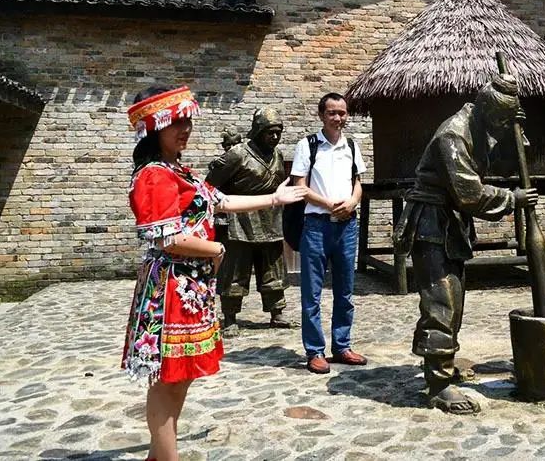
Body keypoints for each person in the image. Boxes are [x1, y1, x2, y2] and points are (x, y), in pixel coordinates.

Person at [121, 86, 307, 461]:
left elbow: (222, 201)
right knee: (167, 381)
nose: (184, 129)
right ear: (154, 128)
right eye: (175, 123)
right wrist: (216, 249)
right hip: (170, 289)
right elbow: (166, 238)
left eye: (187, 121)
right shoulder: (154, 175)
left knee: (181, 376)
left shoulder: (178, 170)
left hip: (189, 286)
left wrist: (274, 198)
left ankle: (157, 457)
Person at [393, 74, 538, 414]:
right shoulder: (452, 134)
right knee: (441, 300)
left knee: (453, 297)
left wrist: (517, 132)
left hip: (449, 223)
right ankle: (438, 384)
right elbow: (469, 192)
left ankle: (438, 365)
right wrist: (511, 198)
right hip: (431, 222)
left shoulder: (475, 125)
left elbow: (488, 158)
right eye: (500, 121)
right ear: (488, 112)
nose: (501, 127)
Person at [290, 92, 368, 374]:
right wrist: (328, 205)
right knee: (311, 292)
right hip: (316, 226)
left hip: (346, 226)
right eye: (332, 113)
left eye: (342, 113)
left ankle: (342, 345)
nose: (338, 118)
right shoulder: (307, 145)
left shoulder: (352, 146)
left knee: (345, 291)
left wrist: (352, 202)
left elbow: (358, 182)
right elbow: (300, 186)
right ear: (321, 114)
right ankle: (314, 351)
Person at [206, 109, 292, 336]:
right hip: (240, 220)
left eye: (278, 132)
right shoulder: (237, 154)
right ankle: (231, 316)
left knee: (273, 267)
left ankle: (277, 311)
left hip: (270, 218)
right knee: (236, 268)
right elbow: (210, 185)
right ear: (258, 131)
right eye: (269, 132)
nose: (274, 137)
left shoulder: (278, 156)